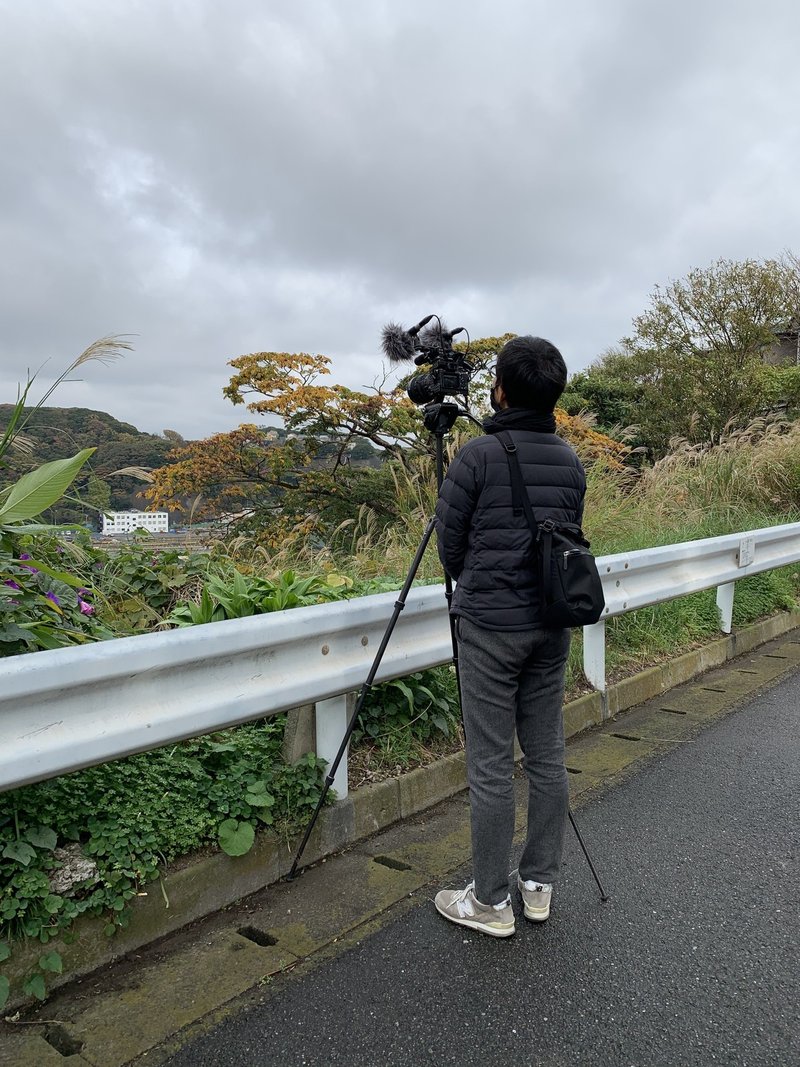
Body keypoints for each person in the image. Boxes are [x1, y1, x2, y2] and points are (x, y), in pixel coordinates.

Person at [433, 335, 586, 937]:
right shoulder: (571, 461)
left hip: (491, 630)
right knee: (547, 754)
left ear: (500, 389)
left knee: (492, 765)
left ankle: (491, 901)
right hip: (551, 626)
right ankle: (539, 884)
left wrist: (476, 580)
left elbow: (450, 549)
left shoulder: (476, 456)